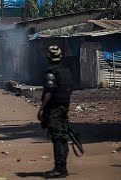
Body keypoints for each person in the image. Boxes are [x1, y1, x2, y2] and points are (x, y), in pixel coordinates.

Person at [38, 45, 73, 178]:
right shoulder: (66, 72)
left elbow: (49, 91)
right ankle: (62, 167)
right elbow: (68, 90)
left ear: (48, 58)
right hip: (64, 107)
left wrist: (41, 109)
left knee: (58, 138)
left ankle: (60, 168)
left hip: (55, 109)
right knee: (63, 137)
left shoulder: (51, 73)